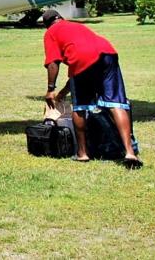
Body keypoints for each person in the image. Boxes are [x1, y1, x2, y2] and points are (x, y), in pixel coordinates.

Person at [41, 10, 142, 169]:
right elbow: (79, 72)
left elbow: (53, 62)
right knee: (116, 103)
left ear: (47, 25)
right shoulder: (75, 26)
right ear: (61, 18)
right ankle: (129, 152)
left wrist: (50, 89)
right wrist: (62, 93)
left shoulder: (51, 33)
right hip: (108, 52)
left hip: (83, 58)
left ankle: (82, 153)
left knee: (80, 107)